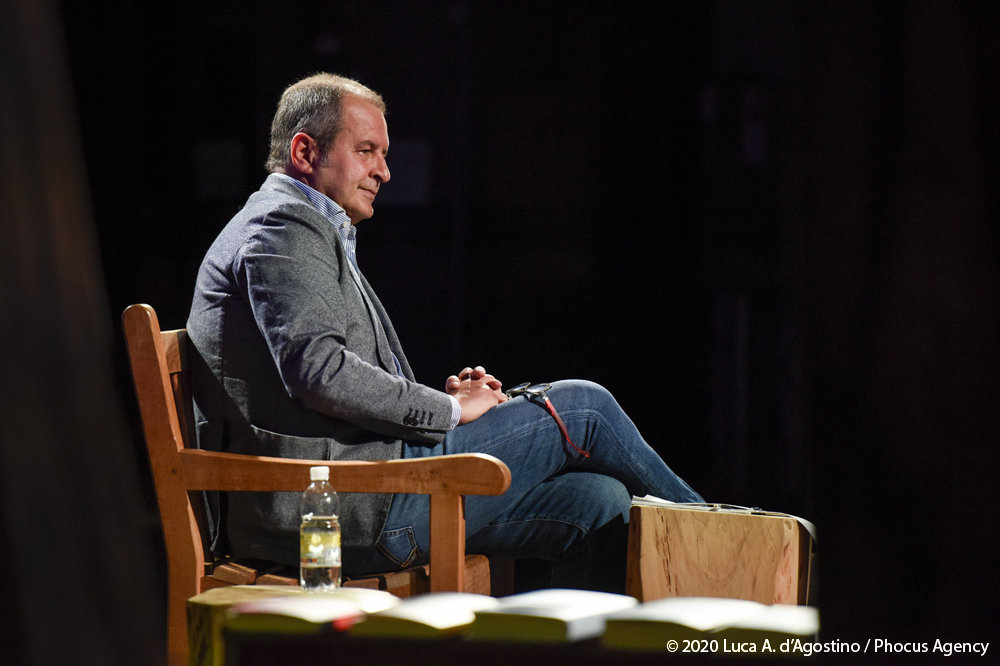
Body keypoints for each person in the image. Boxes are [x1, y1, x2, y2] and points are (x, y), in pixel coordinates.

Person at [187, 72, 702, 590]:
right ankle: (724, 539)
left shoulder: (303, 227)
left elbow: (325, 379)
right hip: (337, 516)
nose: (384, 172)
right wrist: (451, 413)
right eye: (367, 150)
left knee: (598, 502)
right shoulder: (282, 228)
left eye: (383, 154)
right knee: (584, 408)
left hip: (372, 487)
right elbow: (319, 372)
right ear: (304, 150)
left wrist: (441, 408)